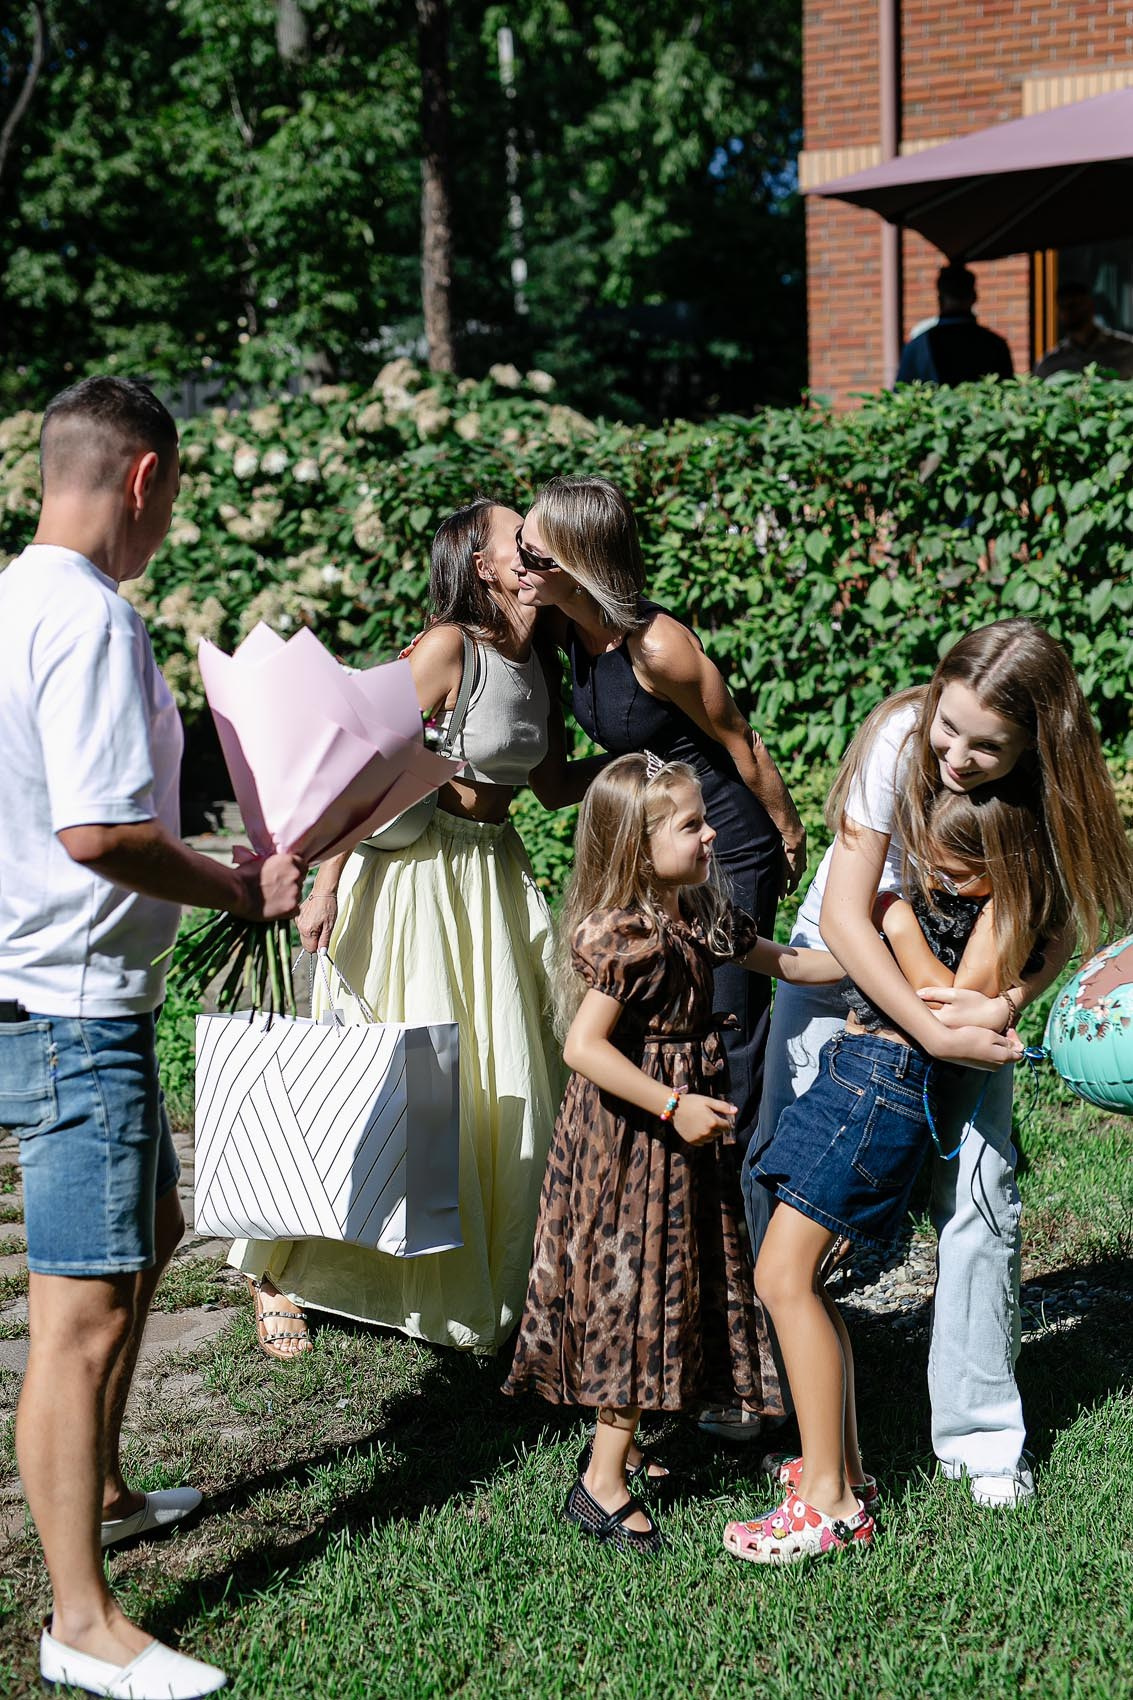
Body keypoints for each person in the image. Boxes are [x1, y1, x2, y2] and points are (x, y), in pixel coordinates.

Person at [0, 377, 304, 1699]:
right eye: (173, 496)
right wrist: (241, 884)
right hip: (73, 1008)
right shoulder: (95, 621)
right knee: (79, 1313)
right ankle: (80, 1624)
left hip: (42, 985)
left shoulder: (10, 600)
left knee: (157, 1232)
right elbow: (103, 834)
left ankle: (108, 1488)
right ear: (143, 480)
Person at [744, 619, 1133, 1509]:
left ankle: (981, 1440)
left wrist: (1005, 1003)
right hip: (840, 969)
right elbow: (849, 914)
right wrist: (931, 1029)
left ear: (1035, 742)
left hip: (965, 998)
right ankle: (795, 1408)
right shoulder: (895, 738)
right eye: (947, 727)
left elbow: (1060, 923)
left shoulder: (1047, 790)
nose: (954, 754)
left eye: (985, 745)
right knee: (785, 1176)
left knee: (978, 1196)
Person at [231, 498, 606, 1353]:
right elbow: (361, 767)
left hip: (489, 872)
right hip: (409, 879)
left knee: (492, 1073)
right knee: (382, 1084)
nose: (538, 550)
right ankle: (277, 1269)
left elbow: (547, 788)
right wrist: (324, 884)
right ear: (481, 563)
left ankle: (482, 1266)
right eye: (522, 540)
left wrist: (647, 753)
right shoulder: (447, 647)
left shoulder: (537, 656)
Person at [514, 477, 806, 1438]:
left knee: (728, 1056)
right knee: (665, 1055)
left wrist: (784, 830)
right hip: (656, 855)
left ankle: (755, 1327)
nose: (522, 563)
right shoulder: (565, 638)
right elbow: (561, 778)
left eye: (538, 554)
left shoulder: (657, 644)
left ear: (583, 564)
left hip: (719, 848)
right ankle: (682, 1315)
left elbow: (736, 740)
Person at [503, 754, 843, 1552]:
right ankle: (601, 1482)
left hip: (678, 1130)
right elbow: (585, 1047)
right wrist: (672, 1103)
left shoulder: (696, 910)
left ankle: (623, 1449)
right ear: (635, 843)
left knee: (675, 1284)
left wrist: (880, 965)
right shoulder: (630, 934)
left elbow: (787, 963)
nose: (711, 832)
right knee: (636, 1296)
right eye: (691, 824)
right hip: (630, 1137)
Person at [723, 786, 1031, 1563]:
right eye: (928, 861)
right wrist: (739, 945)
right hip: (852, 1071)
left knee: (782, 1280)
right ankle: (842, 1474)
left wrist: (892, 919)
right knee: (798, 1281)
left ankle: (828, 1503)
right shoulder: (930, 895)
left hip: (882, 1087)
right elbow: (828, 962)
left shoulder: (989, 916)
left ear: (993, 874)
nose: (931, 879)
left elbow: (954, 1000)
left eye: (953, 872)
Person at [896, 263, 1014, 386]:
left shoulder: (918, 347)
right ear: (974, 297)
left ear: (940, 299)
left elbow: (901, 394)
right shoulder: (995, 345)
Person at [1033, 279, 1133, 379]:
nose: (1068, 312)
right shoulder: (1049, 364)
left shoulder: (1127, 350)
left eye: (1074, 305)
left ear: (1090, 306)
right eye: (1062, 306)